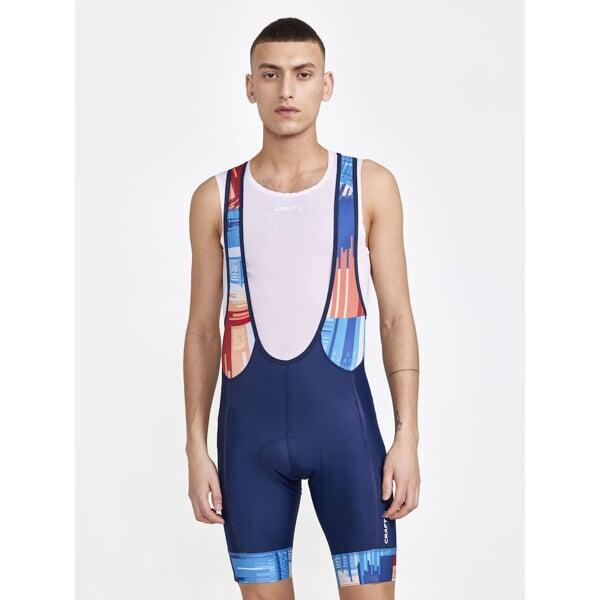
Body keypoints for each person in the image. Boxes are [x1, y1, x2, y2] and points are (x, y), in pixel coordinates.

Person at [183, 17, 420, 600]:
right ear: (250, 86)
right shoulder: (216, 198)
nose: (286, 90)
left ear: (326, 84)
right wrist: (195, 447)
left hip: (348, 439)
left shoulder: (368, 185)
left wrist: (408, 435)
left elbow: (396, 317)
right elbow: (202, 332)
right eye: (270, 75)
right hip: (248, 445)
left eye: (302, 74)